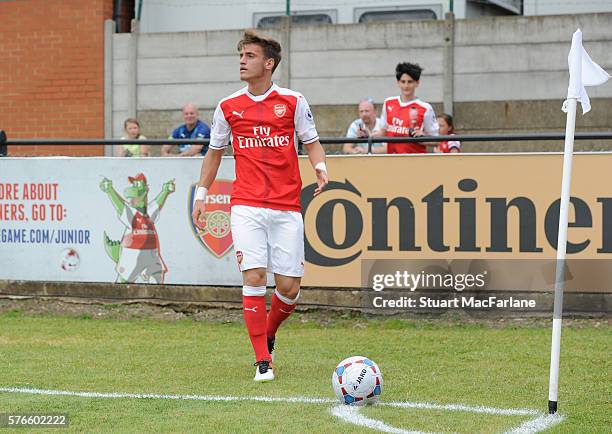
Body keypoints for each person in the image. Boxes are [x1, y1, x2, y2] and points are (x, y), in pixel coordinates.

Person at [191, 31, 328, 382]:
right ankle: (262, 360)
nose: (242, 61)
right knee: (254, 276)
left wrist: (321, 168)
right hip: (246, 205)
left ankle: (268, 333)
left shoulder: (294, 101)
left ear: (268, 63)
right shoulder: (227, 107)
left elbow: (311, 142)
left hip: (286, 207)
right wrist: (201, 194)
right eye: (241, 55)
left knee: (289, 288)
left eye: (249, 55)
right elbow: (214, 154)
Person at [374, 62, 439, 154]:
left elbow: (437, 140)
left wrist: (423, 137)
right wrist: (367, 135)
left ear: (417, 83)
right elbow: (383, 131)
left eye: (410, 82)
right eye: (403, 82)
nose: (406, 86)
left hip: (415, 161)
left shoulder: (425, 108)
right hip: (392, 160)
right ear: (398, 83)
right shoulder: (388, 102)